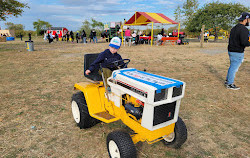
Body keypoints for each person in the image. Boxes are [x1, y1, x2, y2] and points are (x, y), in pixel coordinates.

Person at [225, 12, 250, 90]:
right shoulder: (244, 29)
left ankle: (228, 81)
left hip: (231, 50)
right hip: (237, 51)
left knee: (232, 66)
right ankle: (229, 83)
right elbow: (244, 42)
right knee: (234, 68)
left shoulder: (234, 28)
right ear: (246, 19)